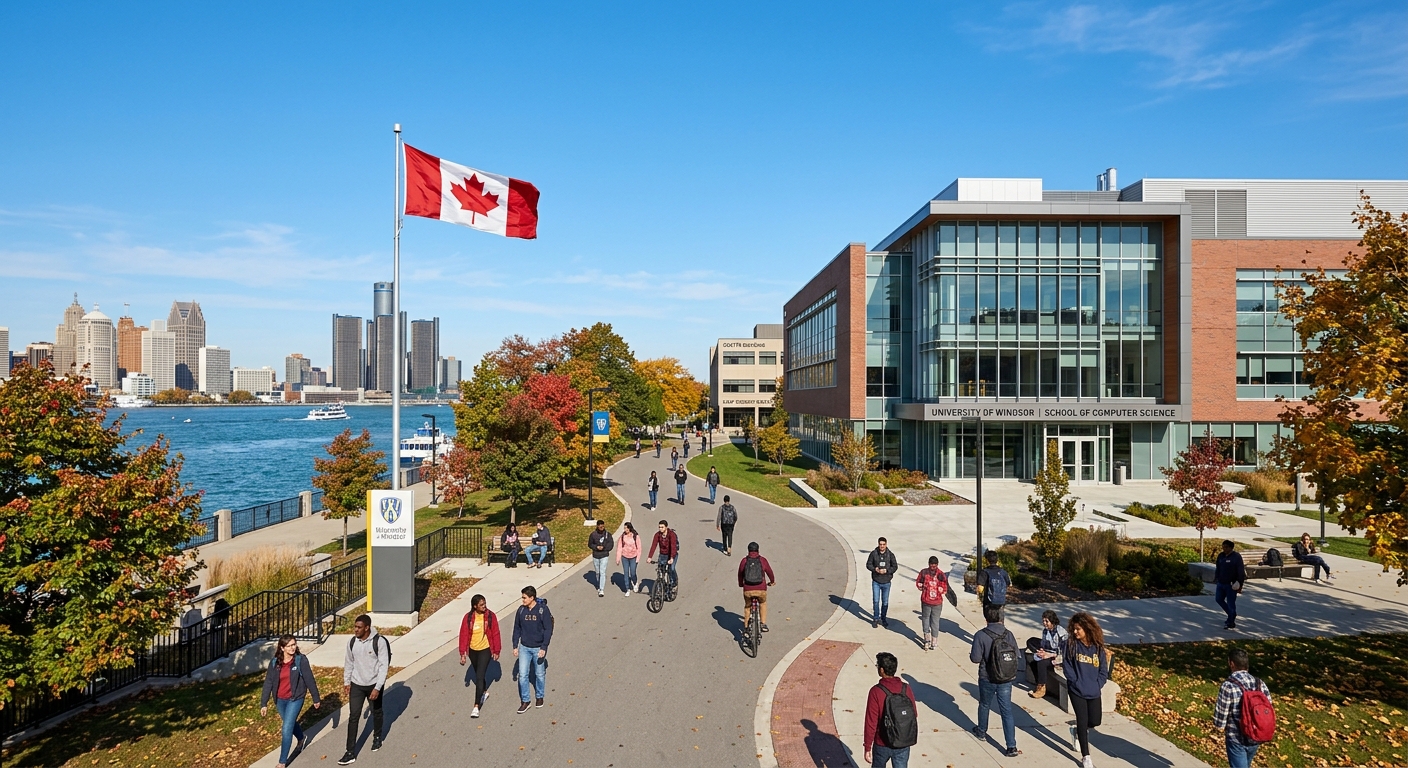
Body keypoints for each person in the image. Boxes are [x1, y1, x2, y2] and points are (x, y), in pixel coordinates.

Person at [260, 634, 321, 768]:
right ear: (282, 648)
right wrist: (264, 703)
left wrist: (316, 698)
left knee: (286, 728)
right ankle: (301, 738)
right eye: (289, 646)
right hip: (280, 700)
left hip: (296, 698)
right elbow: (268, 682)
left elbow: (309, 679)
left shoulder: (300, 660)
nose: (293, 648)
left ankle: (282, 762)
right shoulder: (275, 663)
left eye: (294, 644)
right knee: (290, 723)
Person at [969, 603, 1020, 757]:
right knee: (1006, 711)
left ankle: (982, 731)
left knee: (984, 704)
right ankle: (1011, 746)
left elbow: (975, 658)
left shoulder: (980, 635)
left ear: (986, 618)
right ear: (1000, 617)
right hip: (1005, 678)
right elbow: (1016, 654)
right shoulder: (1008, 634)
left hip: (987, 677)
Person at [1063, 612, 1112, 768]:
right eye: (1074, 629)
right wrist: (1075, 682)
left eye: (1079, 629)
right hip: (1077, 690)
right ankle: (1086, 757)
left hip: (1094, 690)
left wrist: (1098, 684)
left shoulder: (1097, 648)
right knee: (1083, 722)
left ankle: (1076, 731)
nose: (1076, 632)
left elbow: (1104, 670)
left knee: (1095, 721)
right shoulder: (1071, 645)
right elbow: (1067, 666)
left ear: (1087, 628)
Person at [340, 615, 389, 765]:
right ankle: (350, 752)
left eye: (359, 627)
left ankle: (377, 737)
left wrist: (377, 688)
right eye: (355, 627)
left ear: (367, 627)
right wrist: (347, 681)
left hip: (373, 684)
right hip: (357, 684)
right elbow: (349, 662)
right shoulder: (352, 642)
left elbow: (383, 666)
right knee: (353, 716)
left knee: (377, 712)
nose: (356, 630)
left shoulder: (378, 642)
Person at [1213, 647, 1274, 768]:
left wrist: (1218, 726)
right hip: (1255, 736)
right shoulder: (1260, 683)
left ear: (1231, 664)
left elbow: (1221, 717)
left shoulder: (1228, 685)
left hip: (1236, 737)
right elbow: (1269, 706)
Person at [864, 652, 917, 768]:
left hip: (882, 743)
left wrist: (867, 746)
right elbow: (914, 714)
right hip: (903, 742)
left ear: (882, 670)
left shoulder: (876, 691)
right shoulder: (906, 688)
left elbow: (871, 722)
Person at [458, 594, 501, 718]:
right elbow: (464, 635)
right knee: (478, 674)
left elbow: (496, 633)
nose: (484, 606)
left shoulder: (490, 616)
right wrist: (463, 653)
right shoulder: (468, 617)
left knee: (479, 676)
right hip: (473, 650)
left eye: (485, 604)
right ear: (475, 606)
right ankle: (484, 691)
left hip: (485, 649)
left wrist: (496, 651)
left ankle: (476, 706)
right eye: (481, 605)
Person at [512, 585, 554, 714]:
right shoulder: (521, 611)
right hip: (524, 647)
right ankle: (526, 701)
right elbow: (517, 628)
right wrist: (515, 645)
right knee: (523, 675)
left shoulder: (542, 610)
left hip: (538, 648)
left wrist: (544, 647)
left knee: (539, 674)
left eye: (524, 598)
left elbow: (548, 629)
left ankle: (539, 696)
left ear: (532, 598)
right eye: (522, 597)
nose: (522, 600)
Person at [1025, 609, 1068, 699]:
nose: (1044, 623)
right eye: (1043, 621)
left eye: (1046, 621)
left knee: (1042, 663)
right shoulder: (1045, 631)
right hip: (1048, 652)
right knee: (1032, 660)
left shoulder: (1061, 633)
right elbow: (1044, 645)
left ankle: (1042, 687)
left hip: (1058, 657)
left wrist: (1050, 655)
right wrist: (1042, 651)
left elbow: (1064, 651)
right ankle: (1039, 685)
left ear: (1052, 621)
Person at [738, 541, 775, 632]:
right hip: (761, 588)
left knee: (747, 606)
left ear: (748, 550)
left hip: (748, 589)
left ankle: (746, 627)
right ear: (758, 550)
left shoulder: (744, 561)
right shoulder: (762, 560)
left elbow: (740, 574)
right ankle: (763, 624)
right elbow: (769, 572)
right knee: (762, 603)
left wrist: (741, 584)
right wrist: (772, 581)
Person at [915, 556, 951, 650]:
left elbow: (945, 588)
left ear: (937, 565)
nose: (933, 568)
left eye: (934, 566)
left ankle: (934, 641)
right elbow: (918, 582)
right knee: (925, 619)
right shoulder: (924, 573)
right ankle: (926, 639)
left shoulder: (941, 575)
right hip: (926, 601)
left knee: (935, 622)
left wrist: (942, 590)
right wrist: (920, 586)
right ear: (929, 564)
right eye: (931, 565)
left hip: (937, 603)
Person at [1214, 540, 1247, 630]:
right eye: (1223, 547)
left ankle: (1230, 621)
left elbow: (1240, 570)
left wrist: (1240, 583)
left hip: (1231, 585)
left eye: (1226, 547)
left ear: (1231, 548)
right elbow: (1218, 567)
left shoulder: (1236, 557)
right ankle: (1231, 614)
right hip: (1221, 583)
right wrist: (1216, 577)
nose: (1224, 549)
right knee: (1218, 599)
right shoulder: (1221, 556)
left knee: (1231, 603)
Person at [866, 537, 898, 628]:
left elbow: (895, 566)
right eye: (880, 544)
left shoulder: (890, 555)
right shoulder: (873, 554)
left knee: (885, 602)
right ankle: (876, 618)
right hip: (876, 581)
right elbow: (868, 564)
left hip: (886, 582)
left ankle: (883, 618)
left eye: (884, 544)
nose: (882, 546)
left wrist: (887, 571)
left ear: (886, 544)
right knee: (876, 601)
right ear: (878, 544)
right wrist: (875, 569)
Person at [648, 519, 680, 593]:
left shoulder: (672, 535)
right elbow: (654, 545)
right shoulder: (657, 535)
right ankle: (661, 584)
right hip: (663, 554)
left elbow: (673, 546)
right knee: (660, 570)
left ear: (666, 527)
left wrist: (671, 558)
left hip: (672, 554)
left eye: (662, 527)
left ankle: (674, 582)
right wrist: (650, 557)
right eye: (659, 527)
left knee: (671, 569)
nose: (660, 529)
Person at [589, 519, 614, 597]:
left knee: (602, 572)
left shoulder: (608, 535)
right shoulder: (593, 535)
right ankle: (599, 583)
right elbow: (590, 544)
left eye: (603, 526)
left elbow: (611, 544)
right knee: (598, 572)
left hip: (604, 555)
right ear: (597, 526)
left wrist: (604, 548)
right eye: (600, 527)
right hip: (596, 555)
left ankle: (601, 589)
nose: (602, 528)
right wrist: (596, 547)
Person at [616, 521, 642, 595]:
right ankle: (627, 589)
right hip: (625, 557)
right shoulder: (622, 536)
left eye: (626, 528)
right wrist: (618, 558)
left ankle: (635, 582)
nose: (625, 530)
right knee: (626, 573)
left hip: (633, 557)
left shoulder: (635, 536)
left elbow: (639, 548)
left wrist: (638, 559)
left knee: (633, 572)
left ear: (630, 528)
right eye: (624, 528)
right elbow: (619, 547)